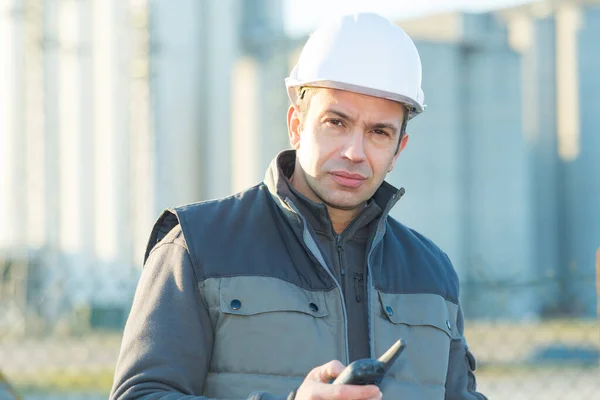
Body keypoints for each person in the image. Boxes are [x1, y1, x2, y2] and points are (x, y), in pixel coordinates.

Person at [110, 12, 487, 400]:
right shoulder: (197, 246)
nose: (354, 152)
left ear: (397, 150)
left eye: (378, 132)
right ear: (296, 125)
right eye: (336, 123)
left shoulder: (432, 272)